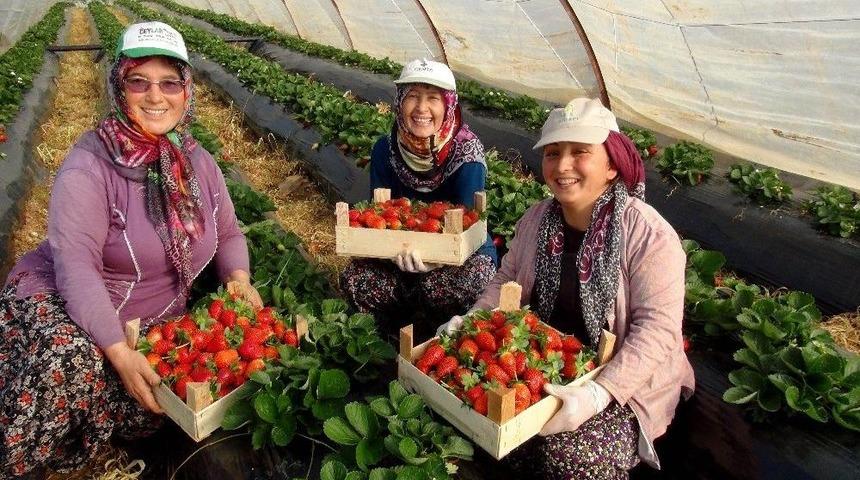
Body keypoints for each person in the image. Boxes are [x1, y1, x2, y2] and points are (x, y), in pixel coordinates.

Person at [0, 22, 261, 477]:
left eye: (169, 82)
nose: (155, 96)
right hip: (65, 302)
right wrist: (117, 352)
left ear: (187, 90)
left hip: (150, 322)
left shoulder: (195, 160)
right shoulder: (90, 166)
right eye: (138, 81)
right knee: (70, 361)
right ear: (118, 86)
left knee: (150, 413)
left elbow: (230, 233)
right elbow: (76, 267)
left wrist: (238, 280)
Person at [440, 98, 695, 478]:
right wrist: (473, 318)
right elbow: (505, 282)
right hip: (546, 361)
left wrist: (597, 394)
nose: (562, 166)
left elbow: (657, 332)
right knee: (465, 412)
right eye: (553, 153)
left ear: (611, 165)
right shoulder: (537, 220)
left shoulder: (649, 236)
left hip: (623, 381)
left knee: (570, 457)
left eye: (580, 153)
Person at [340, 58, 497, 331]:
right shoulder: (385, 149)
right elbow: (380, 214)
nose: (421, 108)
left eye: (433, 98)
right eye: (412, 96)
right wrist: (390, 251)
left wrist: (435, 260)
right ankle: (387, 336)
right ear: (400, 101)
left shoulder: (466, 154)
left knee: (452, 284)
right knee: (356, 279)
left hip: (457, 258)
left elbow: (465, 225)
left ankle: (436, 333)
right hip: (397, 254)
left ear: (448, 105)